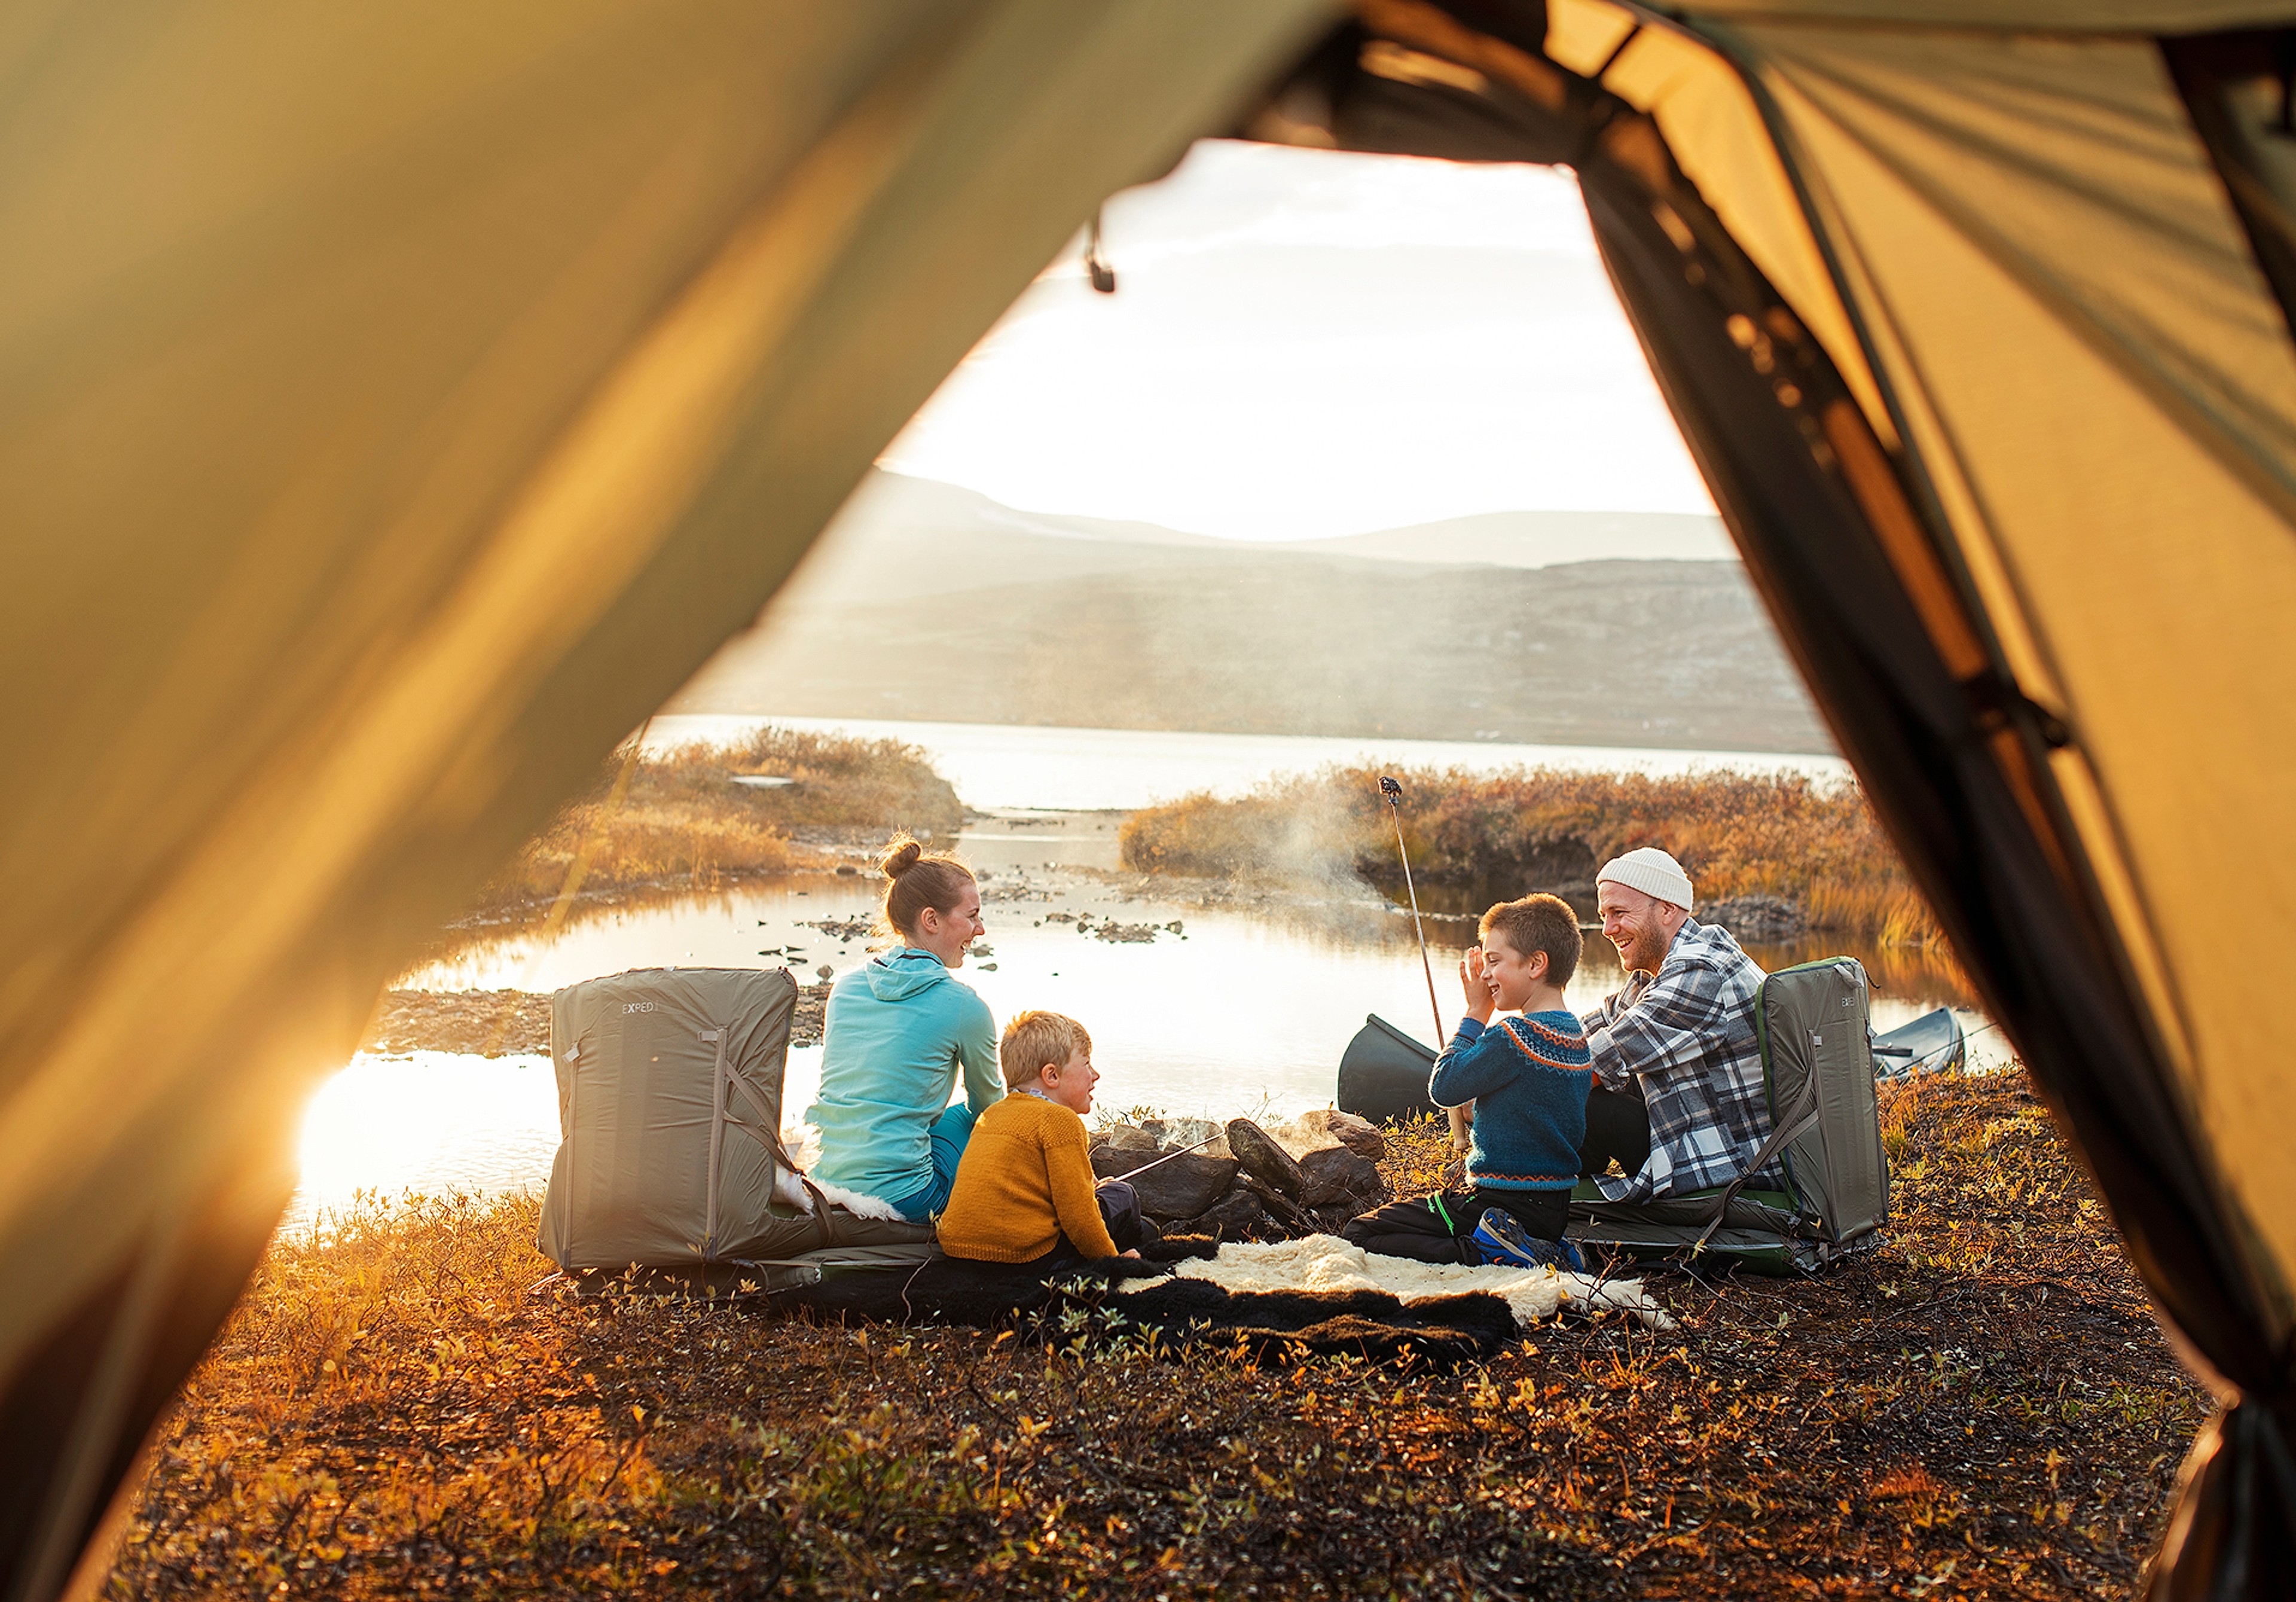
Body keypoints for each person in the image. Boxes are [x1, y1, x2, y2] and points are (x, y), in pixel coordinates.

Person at [1341, 894, 1589, 1270]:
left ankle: (1488, 1254)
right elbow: (1533, 1111)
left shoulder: (1515, 1036)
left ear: (1536, 964)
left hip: (1498, 1204)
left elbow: (1443, 1087)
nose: (1485, 975)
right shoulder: (1577, 1039)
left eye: (1494, 961)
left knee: (1361, 1233)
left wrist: (1476, 1014)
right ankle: (1544, 1249)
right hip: (1553, 1211)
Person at [804, 835, 1002, 1220]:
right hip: (908, 1200)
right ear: (931, 920)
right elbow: (989, 1110)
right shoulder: (965, 1007)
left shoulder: (844, 988)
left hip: (825, 1184)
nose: (980, 930)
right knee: (966, 1116)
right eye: (973, 915)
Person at [1577, 846, 1779, 1201]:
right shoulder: (1662, 968)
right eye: (1604, 915)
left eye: (1619, 913)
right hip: (1709, 1133)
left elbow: (1596, 1060)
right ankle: (1562, 1196)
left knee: (1585, 1101)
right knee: (1585, 1090)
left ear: (1667, 909)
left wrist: (1505, 1083)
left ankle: (1543, 1203)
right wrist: (1512, 1045)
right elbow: (1596, 1026)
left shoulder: (1701, 971)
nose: (1608, 929)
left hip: (1735, 1164)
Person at [937, 1011, 1147, 1265]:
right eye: (1087, 1064)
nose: (1095, 1075)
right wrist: (1113, 1262)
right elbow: (1079, 1217)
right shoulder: (1061, 1121)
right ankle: (1131, 1254)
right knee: (1123, 1194)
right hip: (1024, 1258)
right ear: (1052, 1076)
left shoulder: (993, 1114)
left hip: (959, 1251)